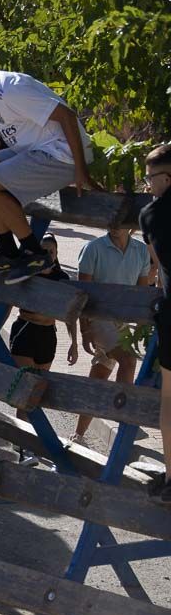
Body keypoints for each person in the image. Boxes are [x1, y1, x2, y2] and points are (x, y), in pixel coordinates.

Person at [0, 42, 96, 283]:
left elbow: (67, 115)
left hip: (62, 156)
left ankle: (35, 253)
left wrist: (81, 169)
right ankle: (6, 252)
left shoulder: (9, 88)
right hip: (35, 150)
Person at [70, 222, 152, 445]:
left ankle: (78, 435)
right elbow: (81, 295)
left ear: (131, 226)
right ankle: (123, 417)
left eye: (121, 221)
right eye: (111, 219)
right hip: (98, 319)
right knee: (128, 361)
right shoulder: (92, 249)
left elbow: (141, 293)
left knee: (100, 375)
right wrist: (84, 330)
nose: (114, 225)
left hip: (124, 323)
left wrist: (142, 327)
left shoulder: (141, 251)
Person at [7, 235, 78, 464]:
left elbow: (70, 314)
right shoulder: (27, 273)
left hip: (48, 336)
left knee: (37, 393)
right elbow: (5, 303)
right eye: (44, 250)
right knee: (26, 391)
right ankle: (24, 450)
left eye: (52, 252)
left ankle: (28, 442)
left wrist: (74, 343)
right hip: (26, 331)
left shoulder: (62, 278)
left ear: (57, 254)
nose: (48, 255)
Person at [137, 144, 171, 500]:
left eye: (150, 179)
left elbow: (157, 268)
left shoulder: (150, 215)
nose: (148, 186)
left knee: (169, 400)